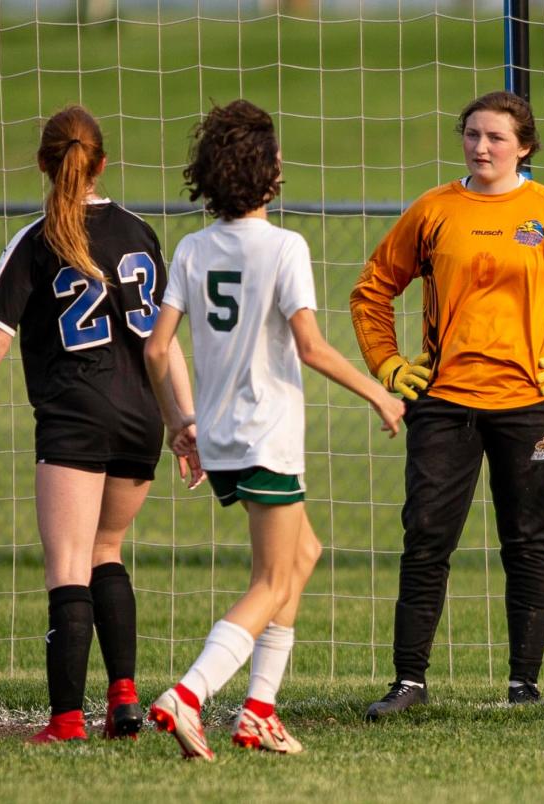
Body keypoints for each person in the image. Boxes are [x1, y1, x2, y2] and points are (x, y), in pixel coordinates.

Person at [349, 89, 544, 719]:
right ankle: (408, 681)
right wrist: (390, 366)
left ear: (525, 146)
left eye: (497, 138)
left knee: (528, 540)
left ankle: (523, 686)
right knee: (426, 538)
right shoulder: (432, 210)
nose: (482, 147)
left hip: (532, 407)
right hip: (443, 404)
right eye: (472, 134)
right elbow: (370, 292)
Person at [0, 105, 200, 743]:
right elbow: (166, 342)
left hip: (76, 418)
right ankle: (123, 699)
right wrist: (182, 420)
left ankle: (67, 720)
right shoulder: (139, 233)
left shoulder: (39, 237)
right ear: (103, 163)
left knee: (69, 564)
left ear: (46, 164)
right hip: (139, 419)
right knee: (108, 552)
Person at [144, 99, 405, 760]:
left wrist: (181, 424)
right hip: (267, 435)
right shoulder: (286, 247)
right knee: (270, 581)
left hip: (223, 435)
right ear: (267, 172)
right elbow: (312, 347)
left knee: (303, 555)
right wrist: (379, 393)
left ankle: (260, 711)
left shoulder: (193, 248)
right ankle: (188, 695)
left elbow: (156, 349)